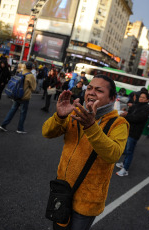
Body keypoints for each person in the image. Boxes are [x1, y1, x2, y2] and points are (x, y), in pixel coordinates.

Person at [42, 75, 129, 229]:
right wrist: (60, 116)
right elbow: (47, 132)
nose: (91, 92)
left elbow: (114, 154)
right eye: (89, 88)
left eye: (99, 90)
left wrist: (91, 126)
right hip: (62, 190)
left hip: (87, 201)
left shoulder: (119, 123)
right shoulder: (75, 113)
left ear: (112, 98)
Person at [115, 91, 149, 176]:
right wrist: (125, 111)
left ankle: (125, 169)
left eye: (143, 97)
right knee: (127, 149)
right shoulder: (137, 105)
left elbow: (137, 118)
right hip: (129, 130)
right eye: (140, 97)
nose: (140, 98)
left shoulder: (146, 108)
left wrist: (127, 115)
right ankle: (124, 163)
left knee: (129, 151)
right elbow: (131, 114)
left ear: (147, 100)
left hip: (135, 133)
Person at [0, 61, 36, 134]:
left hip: (17, 95)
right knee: (23, 113)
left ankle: (3, 125)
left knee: (12, 111)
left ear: (25, 66)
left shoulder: (21, 73)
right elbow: (33, 88)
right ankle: (20, 128)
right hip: (24, 97)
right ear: (31, 68)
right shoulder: (30, 76)